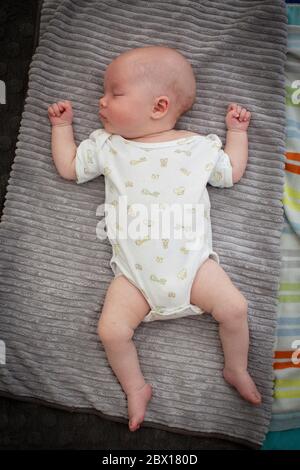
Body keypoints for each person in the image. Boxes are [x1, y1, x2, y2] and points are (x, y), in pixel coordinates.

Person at [47, 45, 262, 433]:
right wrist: (62, 129)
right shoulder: (109, 147)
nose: (101, 101)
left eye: (115, 93)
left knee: (235, 309)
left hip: (195, 268)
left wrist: (236, 133)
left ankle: (236, 367)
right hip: (134, 279)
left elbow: (230, 172)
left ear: (159, 106)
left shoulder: (198, 147)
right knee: (111, 330)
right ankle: (136, 387)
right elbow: (69, 167)